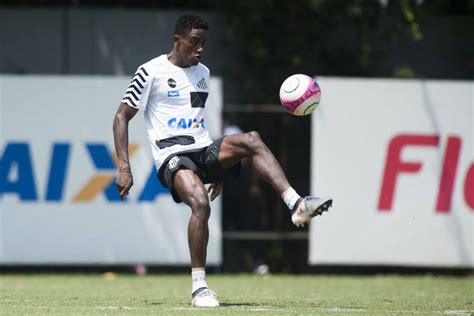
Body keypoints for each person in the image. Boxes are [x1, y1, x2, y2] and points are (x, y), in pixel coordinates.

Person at [113, 13, 332, 308]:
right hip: (171, 155)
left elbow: (196, 123)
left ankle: (297, 205)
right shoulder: (149, 72)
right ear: (177, 40)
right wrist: (124, 167)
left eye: (204, 43)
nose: (200, 49)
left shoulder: (202, 72)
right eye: (194, 42)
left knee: (252, 139)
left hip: (203, 150)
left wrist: (218, 168)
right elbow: (121, 117)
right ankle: (199, 288)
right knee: (200, 203)